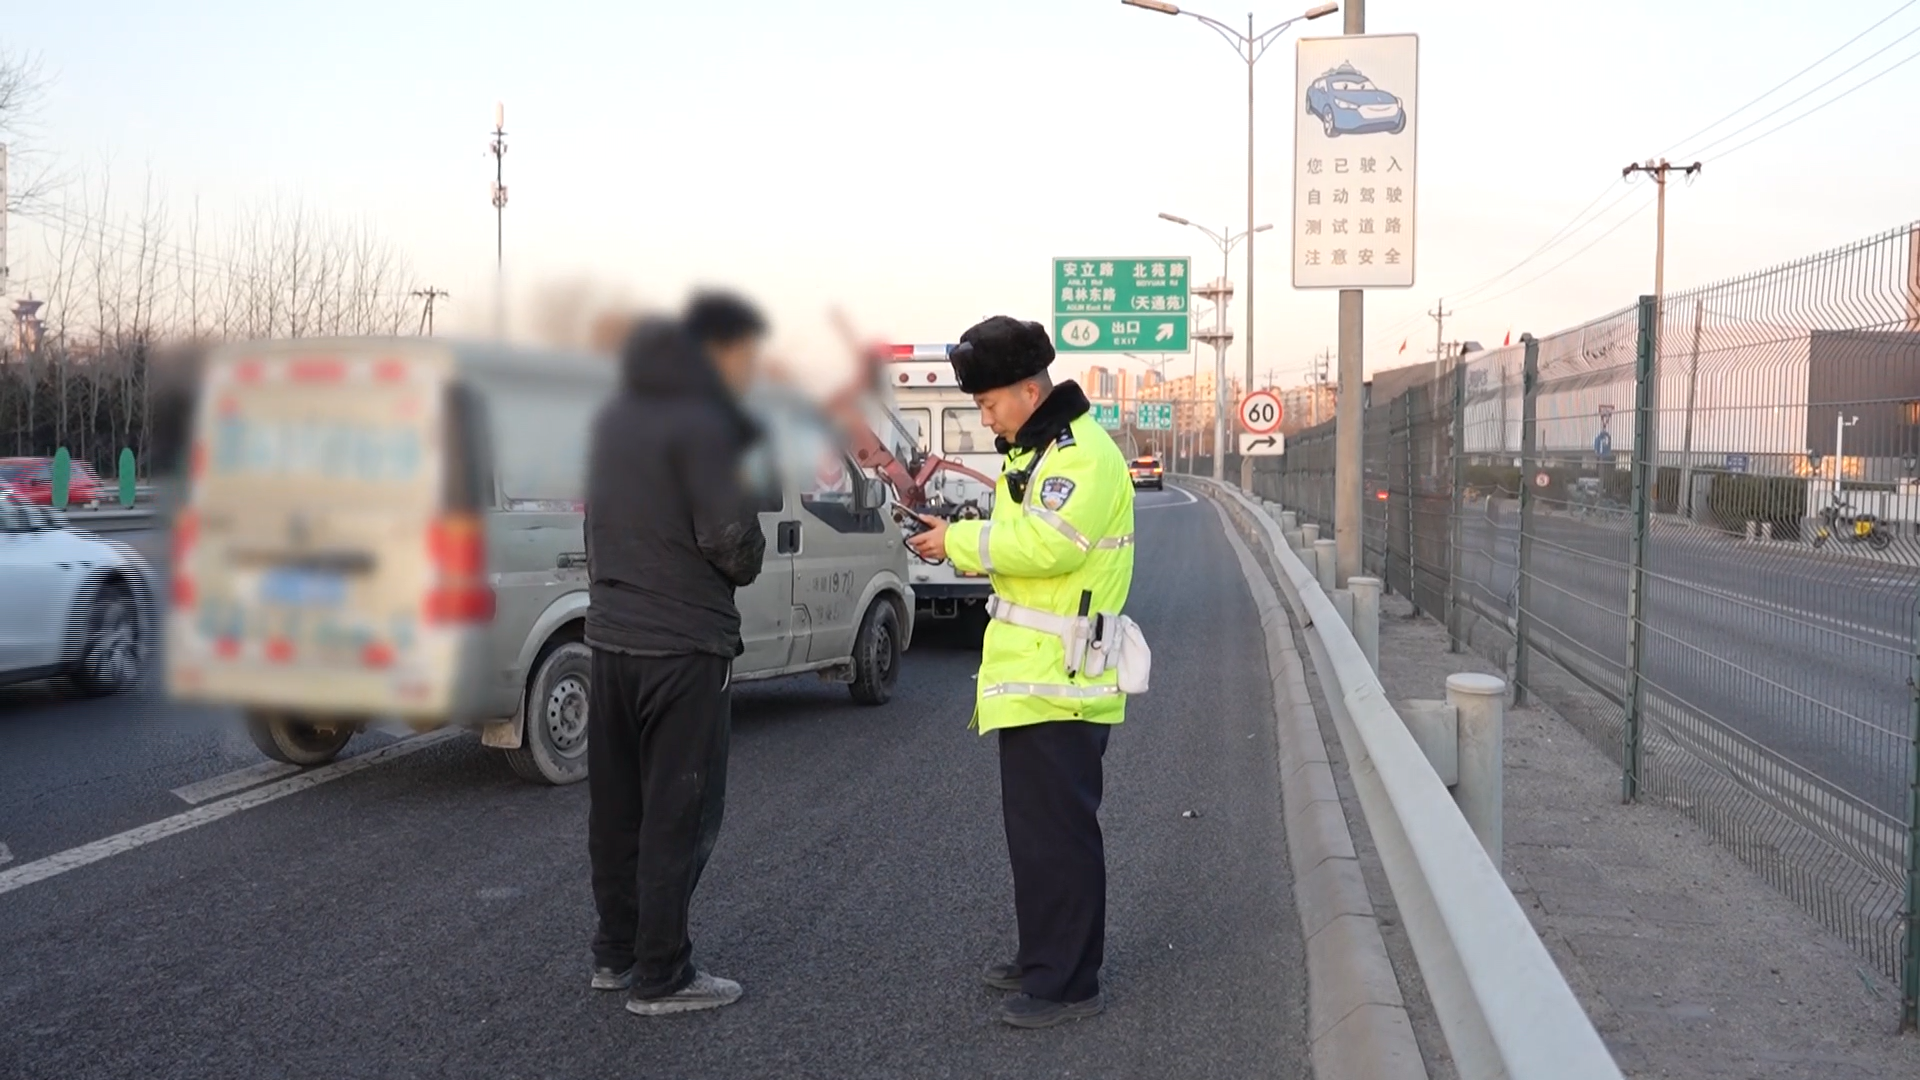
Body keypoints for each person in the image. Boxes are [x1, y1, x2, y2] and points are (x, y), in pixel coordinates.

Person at [906, 315, 1137, 1029]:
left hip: (1062, 682)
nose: (984, 417)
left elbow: (1047, 546)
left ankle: (1069, 985)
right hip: (1038, 680)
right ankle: (1044, 957)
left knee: (1059, 838)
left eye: (989, 403)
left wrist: (962, 539)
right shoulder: (1033, 454)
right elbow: (1021, 545)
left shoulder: (1079, 456)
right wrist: (961, 539)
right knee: (1035, 839)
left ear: (1030, 390)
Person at [582, 291, 769, 1016]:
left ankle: (615, 953)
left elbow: (599, 526)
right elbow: (729, 539)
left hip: (612, 637)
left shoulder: (611, 419)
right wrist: (748, 550)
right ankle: (664, 974)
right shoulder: (705, 420)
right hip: (684, 643)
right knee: (678, 810)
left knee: (617, 809)